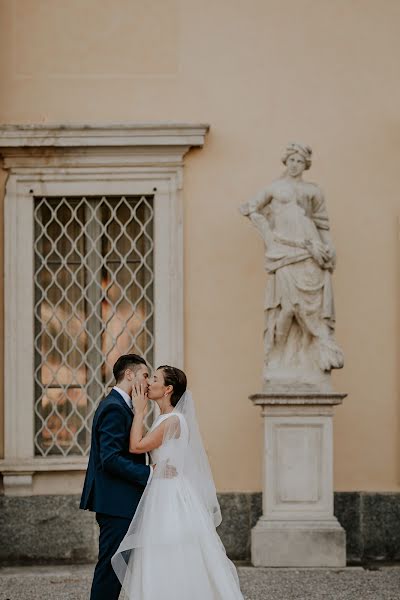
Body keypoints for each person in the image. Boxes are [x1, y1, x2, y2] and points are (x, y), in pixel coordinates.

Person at [112, 365, 245, 600]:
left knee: (171, 552)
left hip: (169, 496)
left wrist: (140, 413)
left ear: (167, 389)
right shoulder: (166, 418)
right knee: (159, 552)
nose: (149, 382)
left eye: (154, 379)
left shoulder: (172, 420)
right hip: (162, 490)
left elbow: (136, 447)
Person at [80, 354, 153, 600]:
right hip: (116, 503)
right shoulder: (114, 407)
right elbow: (110, 459)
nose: (148, 382)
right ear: (129, 375)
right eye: (145, 375)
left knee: (117, 569)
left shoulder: (121, 405)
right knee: (110, 569)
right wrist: (151, 473)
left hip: (120, 501)